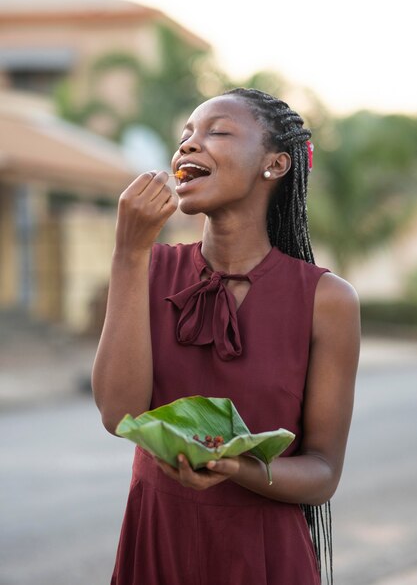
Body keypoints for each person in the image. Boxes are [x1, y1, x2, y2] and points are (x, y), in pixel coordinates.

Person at [92, 88, 360, 585]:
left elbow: (323, 472)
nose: (188, 147)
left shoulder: (328, 300)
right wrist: (128, 254)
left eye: (216, 132)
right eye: (185, 136)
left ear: (275, 165)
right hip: (156, 542)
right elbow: (118, 414)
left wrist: (237, 468)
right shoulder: (147, 268)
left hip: (264, 555)